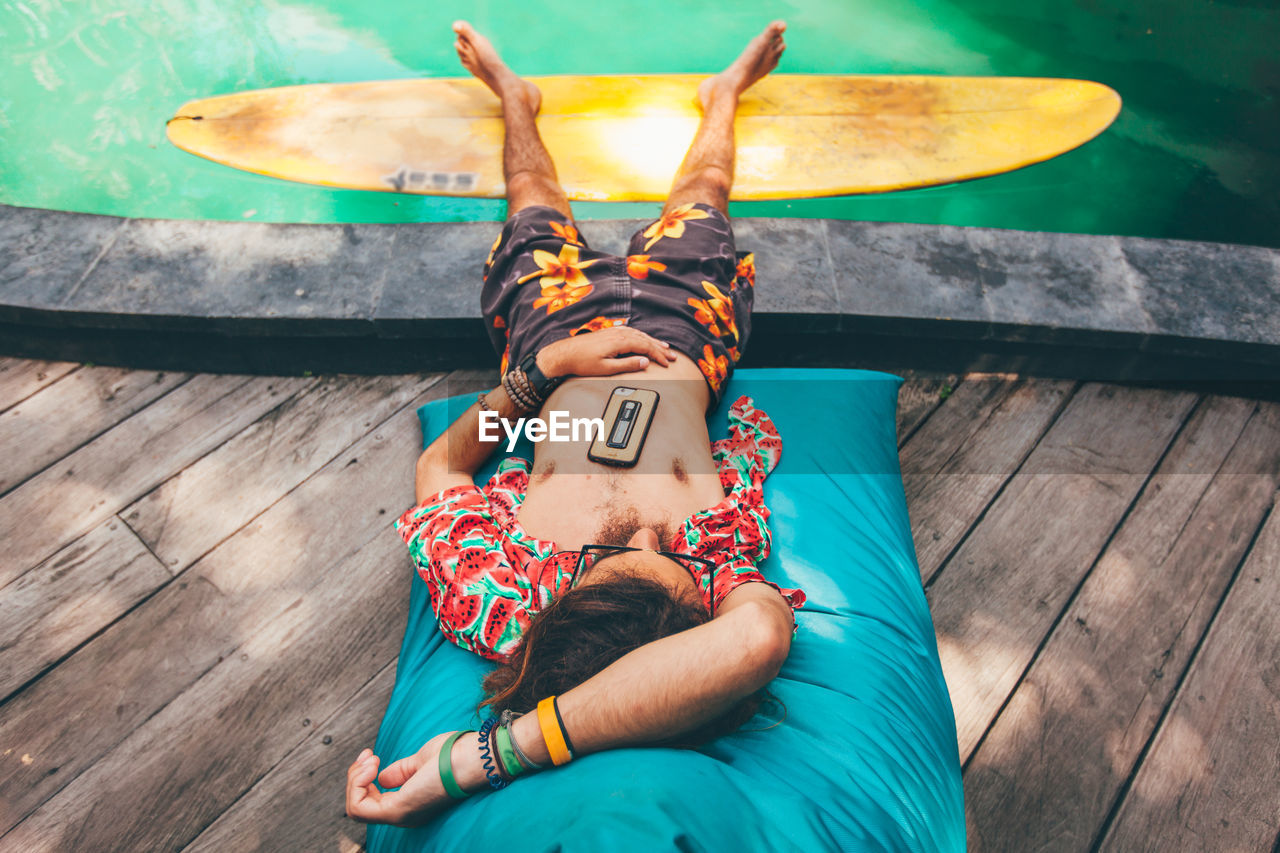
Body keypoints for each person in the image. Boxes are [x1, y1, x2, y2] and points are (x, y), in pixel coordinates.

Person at [347, 19, 805, 827]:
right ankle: (722, 95)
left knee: (532, 205)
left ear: (569, 606)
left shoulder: (506, 594)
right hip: (685, 337)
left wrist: (543, 373)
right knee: (702, 196)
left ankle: (516, 99)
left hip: (554, 346)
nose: (653, 537)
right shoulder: (716, 581)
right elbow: (756, 643)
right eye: (664, 554)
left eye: (614, 556)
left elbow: (443, 471)